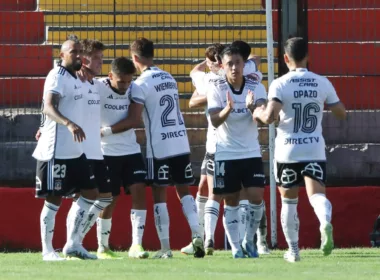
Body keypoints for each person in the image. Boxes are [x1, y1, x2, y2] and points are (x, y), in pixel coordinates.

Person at [253, 37, 347, 262]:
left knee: (289, 201)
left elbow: (270, 117)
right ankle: (324, 222)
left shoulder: (280, 83)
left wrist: (255, 110)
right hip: (314, 148)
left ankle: (293, 251)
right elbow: (341, 112)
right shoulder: (321, 82)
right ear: (308, 56)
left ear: (286, 58)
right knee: (317, 195)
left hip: (288, 149)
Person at [114, 37, 205, 258]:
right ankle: (197, 235)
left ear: (135, 58)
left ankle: (165, 249)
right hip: (180, 142)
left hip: (160, 146)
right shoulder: (169, 78)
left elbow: (135, 118)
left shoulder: (140, 84)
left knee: (159, 193)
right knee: (184, 191)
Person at [33, 36, 99, 261]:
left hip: (75, 151)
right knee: (54, 200)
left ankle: (72, 243)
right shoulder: (57, 76)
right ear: (62, 55)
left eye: (80, 51)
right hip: (56, 150)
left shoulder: (76, 77)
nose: (78, 55)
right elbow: (48, 107)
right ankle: (47, 250)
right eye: (73, 52)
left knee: (91, 193)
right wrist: (69, 124)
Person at [207, 45, 267, 258]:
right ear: (222, 66)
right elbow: (214, 119)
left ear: (244, 64)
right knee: (230, 200)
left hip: (251, 152)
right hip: (226, 153)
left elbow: (262, 111)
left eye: (238, 63)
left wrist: (253, 108)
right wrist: (228, 109)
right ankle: (235, 248)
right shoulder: (217, 88)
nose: (234, 68)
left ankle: (248, 240)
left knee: (256, 197)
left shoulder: (256, 86)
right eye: (229, 64)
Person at [63, 39, 116, 259]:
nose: (100, 63)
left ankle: (75, 241)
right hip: (80, 152)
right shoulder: (73, 81)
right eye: (96, 58)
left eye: (102, 59)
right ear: (83, 59)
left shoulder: (97, 84)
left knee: (105, 197)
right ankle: (73, 243)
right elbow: (52, 101)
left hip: (96, 150)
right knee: (87, 196)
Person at [97, 57, 149, 259]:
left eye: (129, 81)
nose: (126, 86)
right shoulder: (97, 87)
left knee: (139, 192)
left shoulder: (135, 89)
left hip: (130, 150)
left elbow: (134, 120)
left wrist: (105, 131)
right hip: (106, 153)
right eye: (121, 82)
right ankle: (103, 247)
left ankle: (136, 245)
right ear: (110, 76)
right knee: (109, 199)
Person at [181, 43, 225, 256]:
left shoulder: (208, 79)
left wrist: (207, 64)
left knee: (215, 193)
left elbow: (194, 72)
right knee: (203, 188)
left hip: (219, 144)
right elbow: (255, 58)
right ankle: (198, 238)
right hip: (222, 144)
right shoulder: (238, 76)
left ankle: (208, 238)